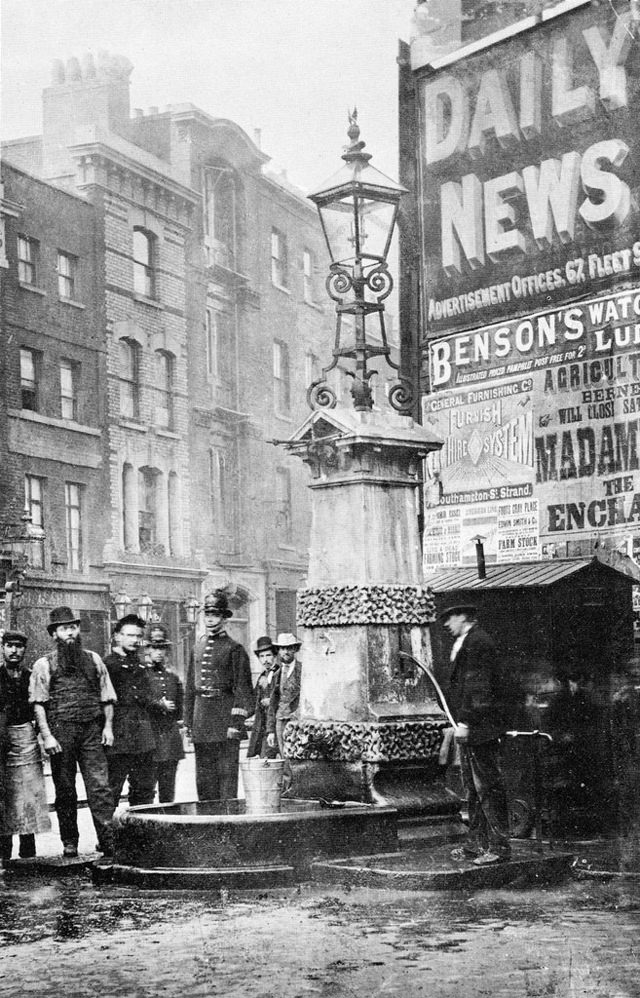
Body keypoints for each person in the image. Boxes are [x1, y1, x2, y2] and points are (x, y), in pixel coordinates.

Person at [29, 607, 116, 858]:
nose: (70, 632)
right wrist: (47, 736)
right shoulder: (44, 665)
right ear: (54, 634)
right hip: (61, 732)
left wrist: (108, 727)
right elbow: (39, 704)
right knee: (65, 788)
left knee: (100, 786)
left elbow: (107, 697)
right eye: (64, 628)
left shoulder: (94, 659)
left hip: (91, 730)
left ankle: (108, 839)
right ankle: (69, 841)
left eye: (74, 627)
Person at [440, 604, 511, 866]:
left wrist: (466, 721)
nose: (447, 624)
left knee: (487, 787)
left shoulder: (478, 642)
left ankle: (499, 847)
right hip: (473, 728)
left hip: (481, 729)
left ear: (463, 617)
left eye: (450, 618)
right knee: (472, 788)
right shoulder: (468, 641)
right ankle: (475, 845)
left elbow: (478, 686)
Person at [184, 590, 253, 801]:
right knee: (204, 779)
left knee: (225, 778)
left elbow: (243, 689)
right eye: (207, 614)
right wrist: (189, 722)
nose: (210, 619)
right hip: (202, 720)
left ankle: (227, 824)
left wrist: (236, 722)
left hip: (224, 722)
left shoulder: (235, 649)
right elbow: (190, 687)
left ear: (224, 618)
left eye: (215, 615)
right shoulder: (197, 647)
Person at [0, 631, 51, 864]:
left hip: (26, 738)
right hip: (1, 739)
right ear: (2, 648)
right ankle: (4, 855)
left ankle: (28, 854)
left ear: (24, 650)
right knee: (4, 795)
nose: (14, 651)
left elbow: (41, 706)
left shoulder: (31, 676)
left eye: (18, 646)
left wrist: (40, 735)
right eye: (9, 646)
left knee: (28, 794)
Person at [104, 614, 157, 809]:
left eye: (138, 636)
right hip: (117, 738)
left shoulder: (142, 665)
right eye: (129, 635)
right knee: (111, 791)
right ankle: (107, 839)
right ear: (117, 636)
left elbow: (147, 699)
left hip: (143, 738)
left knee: (145, 790)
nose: (135, 640)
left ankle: (139, 838)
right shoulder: (106, 665)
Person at [144, 624, 184, 803]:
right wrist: (159, 705)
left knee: (168, 790)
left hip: (169, 739)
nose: (158, 652)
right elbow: (137, 701)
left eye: (162, 648)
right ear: (147, 650)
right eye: (154, 648)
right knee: (146, 788)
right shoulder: (141, 675)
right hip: (148, 738)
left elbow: (180, 709)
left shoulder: (173, 678)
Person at [266, 633, 302, 789]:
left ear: (294, 649)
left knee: (298, 754)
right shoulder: (276, 674)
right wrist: (270, 730)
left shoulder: (303, 670)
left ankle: (300, 787)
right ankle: (288, 789)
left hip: (297, 720)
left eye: (289, 648)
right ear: (278, 651)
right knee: (284, 755)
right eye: (282, 649)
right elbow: (273, 704)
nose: (285, 652)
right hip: (280, 720)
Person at [247, 636, 278, 759]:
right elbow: (253, 701)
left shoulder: (280, 673)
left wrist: (271, 701)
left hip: (276, 724)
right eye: (262, 656)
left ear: (275, 656)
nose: (265, 660)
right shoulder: (261, 677)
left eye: (268, 655)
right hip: (262, 725)